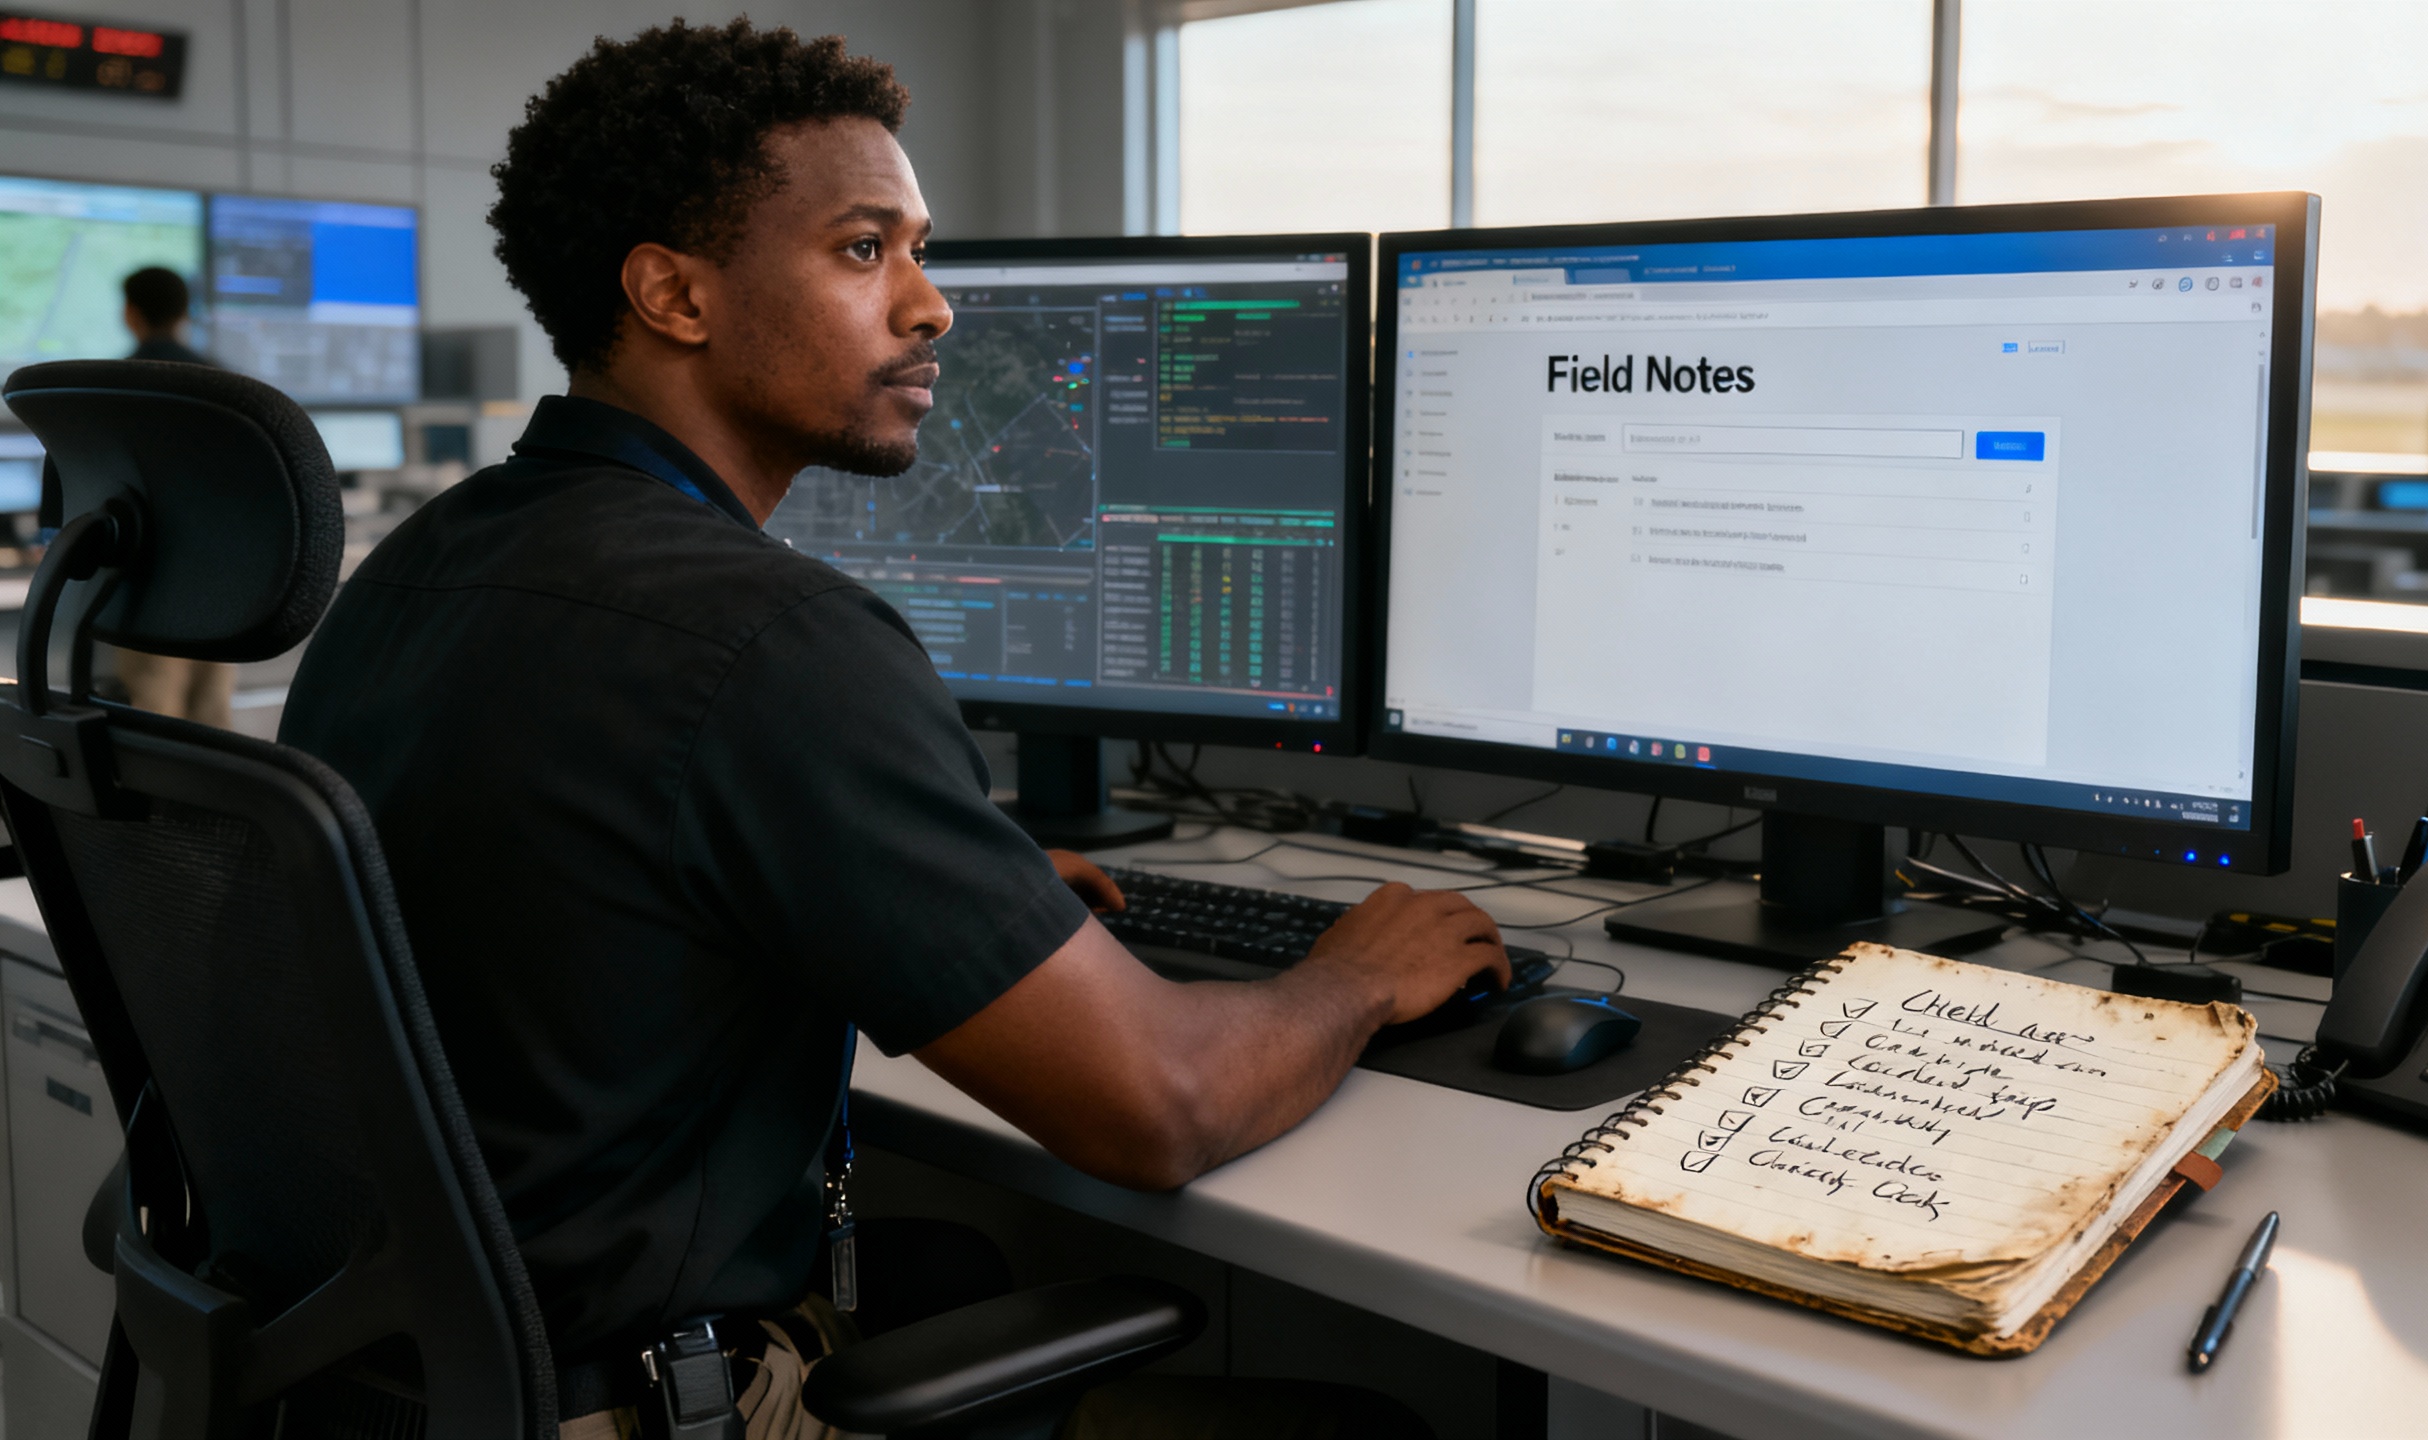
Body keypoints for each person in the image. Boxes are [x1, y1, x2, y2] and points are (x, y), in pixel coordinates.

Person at [276, 20, 1496, 1438]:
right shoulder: (769, 637)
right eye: (866, 250)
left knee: (956, 1262)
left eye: (918, 251)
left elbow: (560, 908)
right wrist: (1353, 977)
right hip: (629, 1407)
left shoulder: (417, 570)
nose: (932, 308)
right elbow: (1156, 1110)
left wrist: (929, 900)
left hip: (387, 1383)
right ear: (675, 294)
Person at [115, 265, 235, 727]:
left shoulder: (114, 384)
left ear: (131, 313)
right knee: (213, 711)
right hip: (224, 575)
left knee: (154, 706)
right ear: (186, 313)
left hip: (150, 577)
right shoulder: (227, 383)